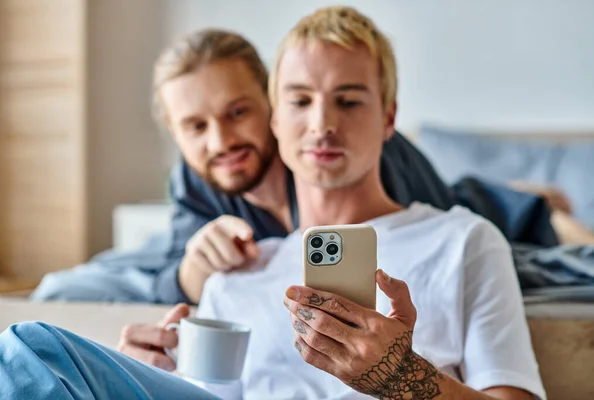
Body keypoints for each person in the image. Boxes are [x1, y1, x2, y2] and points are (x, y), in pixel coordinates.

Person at [2, 6, 545, 400]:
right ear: (275, 119)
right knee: (28, 351)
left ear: (388, 119)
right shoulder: (235, 273)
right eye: (300, 100)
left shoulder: (464, 240)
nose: (323, 123)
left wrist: (404, 380)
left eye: (349, 100)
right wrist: (143, 377)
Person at [30, 26, 564, 305]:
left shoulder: (352, 154)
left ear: (271, 105)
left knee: (527, 219)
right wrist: (196, 266)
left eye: (238, 113)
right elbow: (177, 278)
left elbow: (429, 238)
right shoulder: (196, 182)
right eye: (195, 127)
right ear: (175, 133)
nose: (222, 140)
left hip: (453, 199)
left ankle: (539, 200)